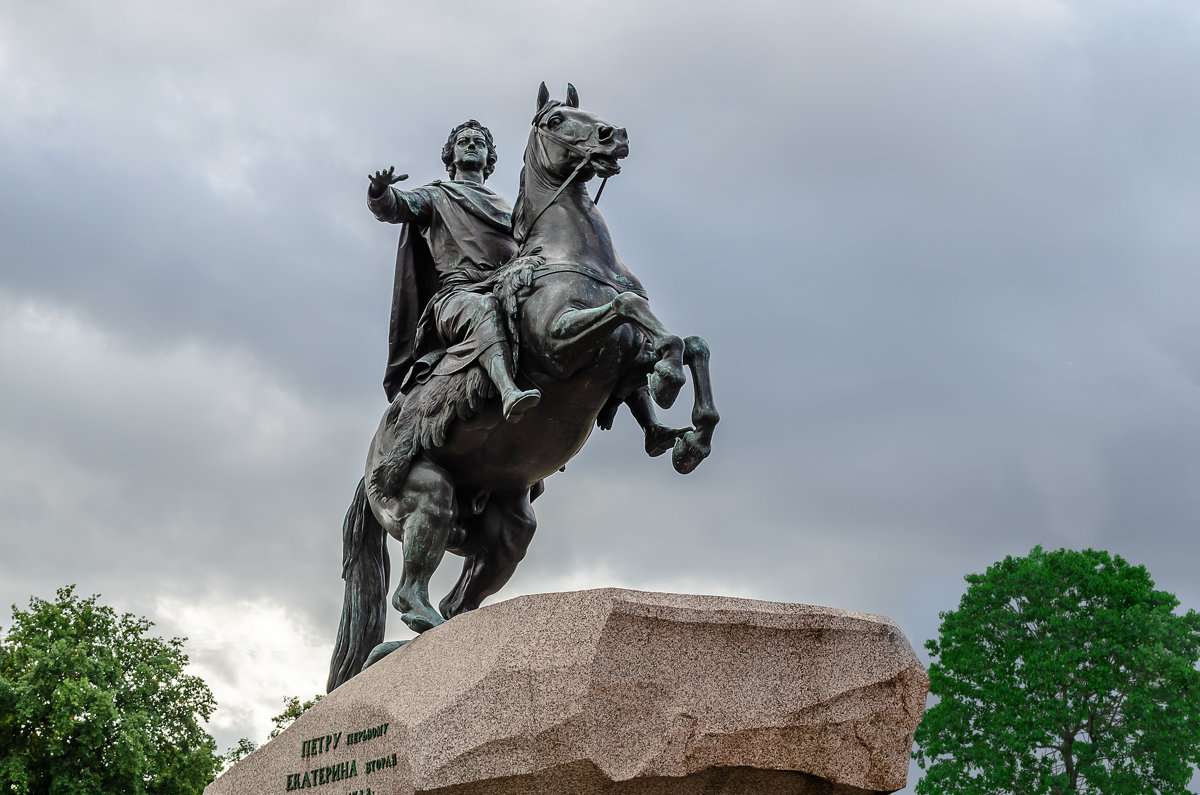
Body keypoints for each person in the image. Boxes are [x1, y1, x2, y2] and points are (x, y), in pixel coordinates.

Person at [368, 120, 540, 421]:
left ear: (489, 159)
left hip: (506, 288)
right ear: (451, 155)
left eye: (479, 142)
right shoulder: (436, 196)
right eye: (463, 141)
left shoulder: (509, 208)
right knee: (482, 308)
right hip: (458, 297)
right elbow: (397, 206)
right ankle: (509, 391)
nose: (472, 144)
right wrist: (380, 192)